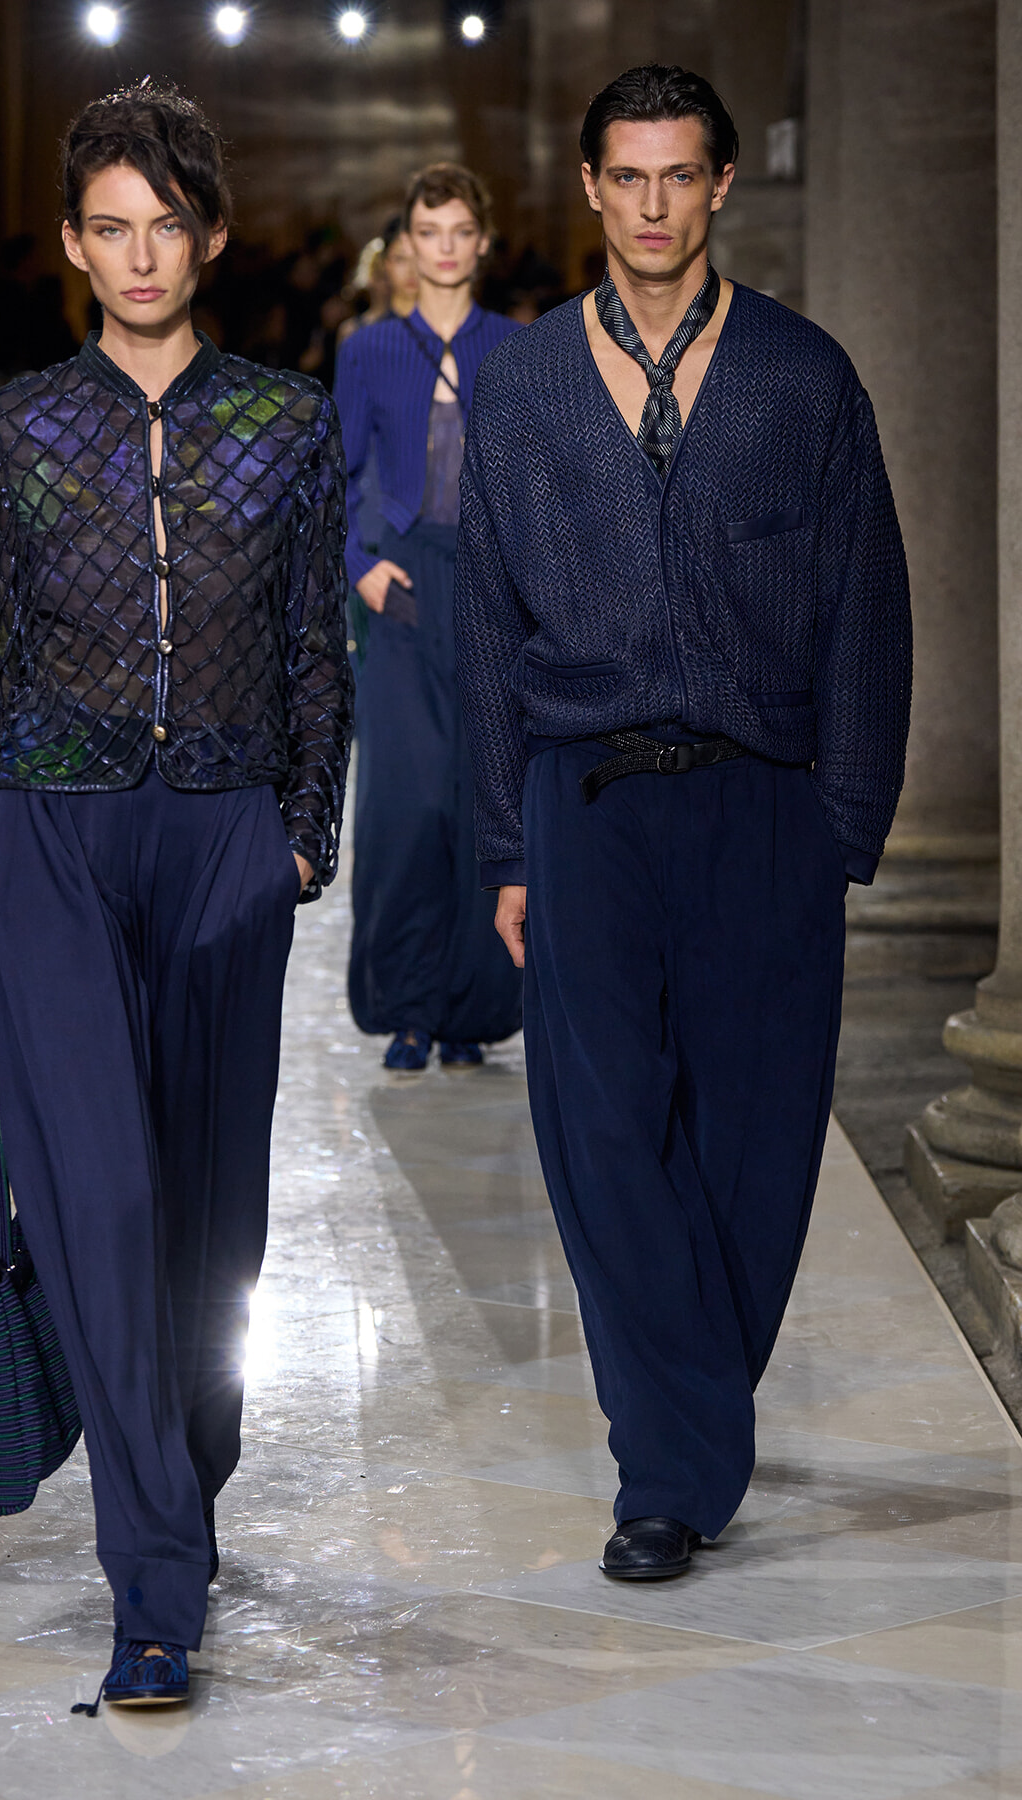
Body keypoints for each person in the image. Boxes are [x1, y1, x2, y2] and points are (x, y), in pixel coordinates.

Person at [454, 66, 911, 1579]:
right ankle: (667, 1468)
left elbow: (866, 615)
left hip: (765, 805)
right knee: (602, 1139)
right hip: (583, 807)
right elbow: (485, 624)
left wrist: (843, 826)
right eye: (626, 178)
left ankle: (686, 1410)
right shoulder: (521, 386)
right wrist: (504, 845)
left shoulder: (803, 377)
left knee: (758, 1140)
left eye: (680, 177)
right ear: (589, 189)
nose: (653, 207)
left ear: (721, 186)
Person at [0, 81, 352, 1706]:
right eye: (108, 227)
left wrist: (303, 834)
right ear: (72, 242)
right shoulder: (15, 428)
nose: (138, 254)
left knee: (212, 1220)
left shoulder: (286, 424)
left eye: (164, 225)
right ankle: (153, 1593)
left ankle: (187, 1448)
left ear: (209, 233)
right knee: (102, 1205)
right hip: (55, 834)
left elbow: (317, 651)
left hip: (220, 840)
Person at [333, 164, 522, 1073]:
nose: (443, 246)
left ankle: (471, 1012)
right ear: (409, 243)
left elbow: (539, 485)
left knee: (480, 796)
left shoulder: (522, 349)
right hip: (402, 589)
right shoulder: (366, 350)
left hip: (490, 591)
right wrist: (362, 572)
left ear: (482, 242)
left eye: (459, 229)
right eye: (427, 230)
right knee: (405, 804)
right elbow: (330, 482)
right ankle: (406, 1004)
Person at [337, 215, 419, 347]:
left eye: (417, 258)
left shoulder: (444, 327)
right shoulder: (358, 335)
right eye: (400, 259)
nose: (411, 270)